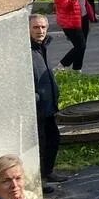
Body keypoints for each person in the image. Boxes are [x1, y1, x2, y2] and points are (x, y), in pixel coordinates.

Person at [29, 16, 65, 187]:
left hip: (48, 105)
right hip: (37, 107)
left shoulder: (42, 47)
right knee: (41, 144)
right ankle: (40, 180)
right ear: (28, 29)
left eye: (43, 27)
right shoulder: (27, 49)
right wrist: (36, 99)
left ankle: (47, 172)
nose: (40, 31)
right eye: (36, 27)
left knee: (52, 139)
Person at [53, 0, 91, 72]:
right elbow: (64, 7)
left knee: (82, 46)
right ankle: (61, 65)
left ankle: (77, 69)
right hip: (70, 21)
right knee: (80, 46)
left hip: (83, 17)